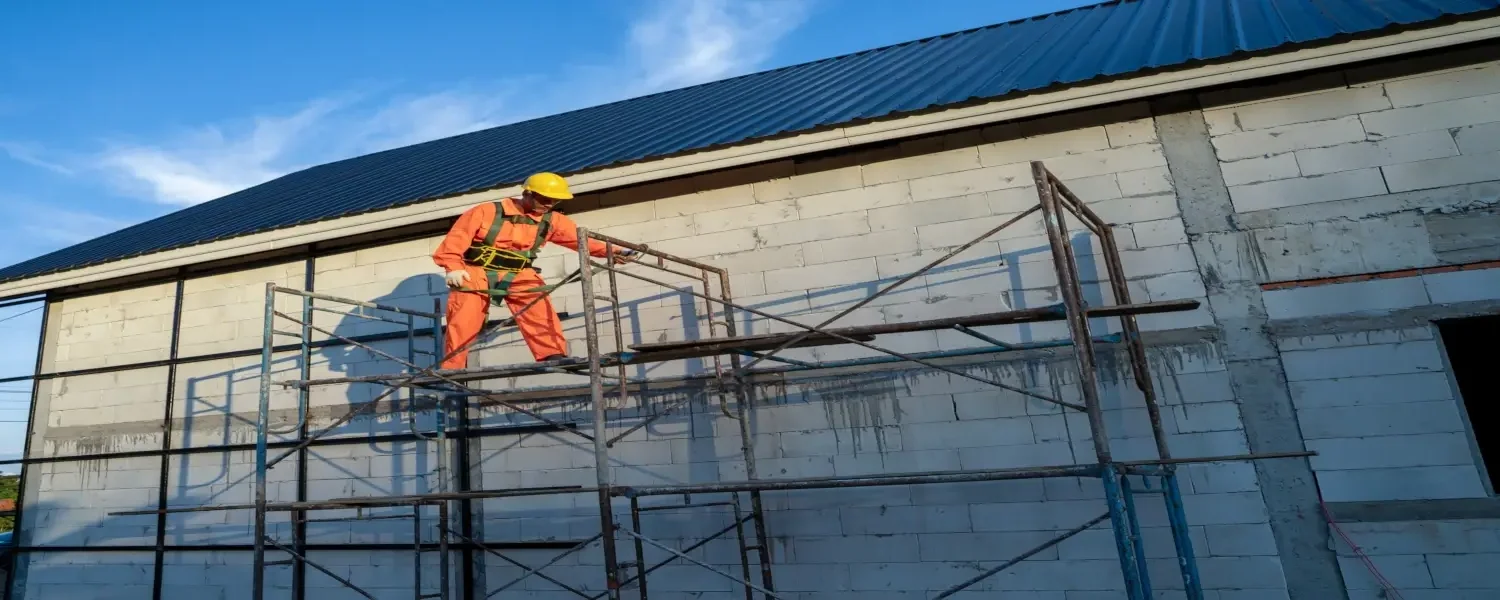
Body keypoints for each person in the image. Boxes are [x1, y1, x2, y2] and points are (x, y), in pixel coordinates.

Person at [432, 172, 634, 369]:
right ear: (527, 194)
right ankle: (452, 368)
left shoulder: (552, 220)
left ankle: (552, 354)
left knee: (539, 307)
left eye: (554, 201)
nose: (549, 204)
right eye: (545, 199)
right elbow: (456, 240)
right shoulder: (487, 212)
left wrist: (614, 251)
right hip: (476, 271)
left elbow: (581, 240)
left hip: (518, 272)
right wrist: (453, 268)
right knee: (463, 320)